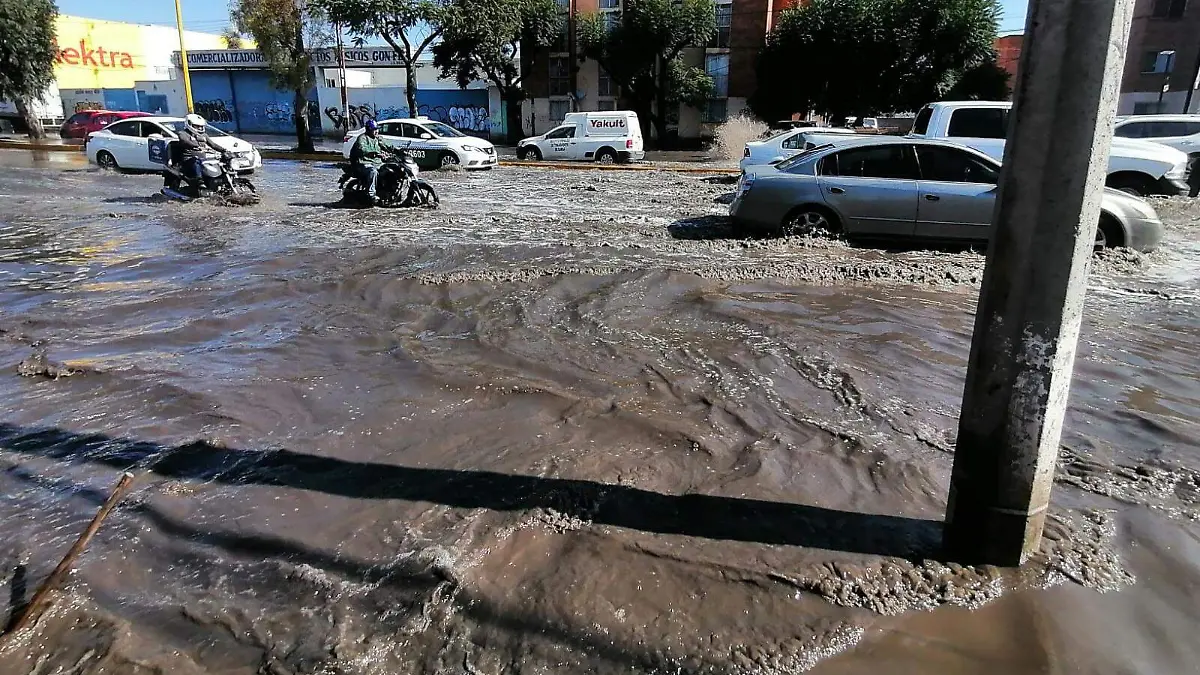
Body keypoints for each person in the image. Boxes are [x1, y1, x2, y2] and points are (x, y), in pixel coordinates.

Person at [350, 119, 400, 205]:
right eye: (374, 129)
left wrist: (399, 151)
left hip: (377, 163)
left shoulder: (378, 139)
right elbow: (363, 149)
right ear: (369, 129)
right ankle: (371, 195)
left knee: (391, 170)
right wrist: (376, 153)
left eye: (377, 129)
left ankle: (389, 190)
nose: (376, 131)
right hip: (363, 163)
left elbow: (388, 146)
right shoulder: (362, 138)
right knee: (372, 171)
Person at [176, 114, 213, 184]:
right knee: (196, 161)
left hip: (203, 160)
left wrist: (224, 150)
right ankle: (199, 180)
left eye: (201, 126)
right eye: (197, 126)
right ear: (189, 124)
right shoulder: (183, 133)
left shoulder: (204, 135)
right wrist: (196, 146)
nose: (199, 128)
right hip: (188, 160)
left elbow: (213, 145)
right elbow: (185, 141)